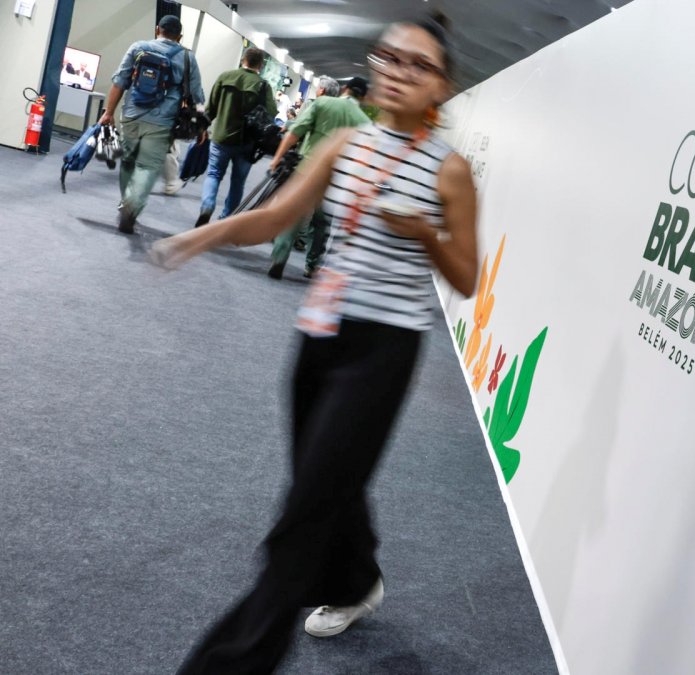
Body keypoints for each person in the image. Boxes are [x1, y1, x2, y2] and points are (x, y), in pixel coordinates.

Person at [154, 13, 478, 672]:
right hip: (320, 334)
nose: (397, 71)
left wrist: (425, 233)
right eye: (389, 57)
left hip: (384, 349)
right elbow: (279, 216)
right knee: (325, 477)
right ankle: (356, 580)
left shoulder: (450, 172)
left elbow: (467, 276)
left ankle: (232, 659)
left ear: (441, 87)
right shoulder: (345, 145)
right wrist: (205, 235)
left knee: (302, 517)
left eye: (417, 65)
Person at [98, 15, 204, 234]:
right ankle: (132, 205)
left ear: (158, 29)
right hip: (161, 122)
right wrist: (201, 126)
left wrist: (108, 112)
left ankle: (125, 201)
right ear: (180, 36)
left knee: (128, 161)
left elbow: (119, 82)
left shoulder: (138, 47)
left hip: (131, 115)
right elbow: (196, 95)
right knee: (147, 166)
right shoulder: (187, 57)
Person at [265, 75, 370, 279]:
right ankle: (312, 265)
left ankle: (279, 258)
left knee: (292, 214)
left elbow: (295, 132)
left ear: (345, 89)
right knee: (321, 224)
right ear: (364, 98)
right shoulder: (365, 123)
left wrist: (276, 158)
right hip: (334, 179)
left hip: (306, 169)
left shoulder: (322, 103)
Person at [194, 47, 276, 228]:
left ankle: (207, 206)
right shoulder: (263, 86)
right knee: (238, 182)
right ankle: (226, 220)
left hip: (221, 138)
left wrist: (202, 129)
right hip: (247, 142)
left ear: (243, 60)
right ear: (260, 65)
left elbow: (211, 108)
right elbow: (271, 112)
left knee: (214, 174)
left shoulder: (225, 77)